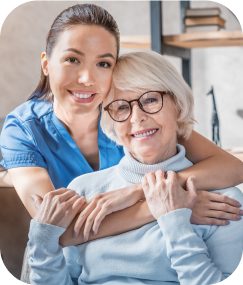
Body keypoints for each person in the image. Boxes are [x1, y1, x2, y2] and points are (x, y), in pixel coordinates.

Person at [28, 51, 243, 285]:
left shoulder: (223, 201)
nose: (136, 117)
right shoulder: (84, 190)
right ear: (109, 119)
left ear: (178, 106)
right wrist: (41, 242)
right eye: (120, 107)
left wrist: (175, 223)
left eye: (151, 100)